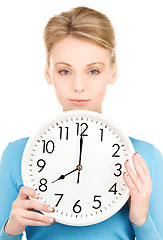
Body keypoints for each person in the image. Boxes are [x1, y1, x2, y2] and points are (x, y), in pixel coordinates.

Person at [0, 6, 163, 240]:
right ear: (48, 73)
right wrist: (11, 229)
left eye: (93, 71)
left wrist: (141, 219)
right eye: (65, 71)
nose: (78, 86)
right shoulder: (18, 155)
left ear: (113, 72)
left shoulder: (145, 157)